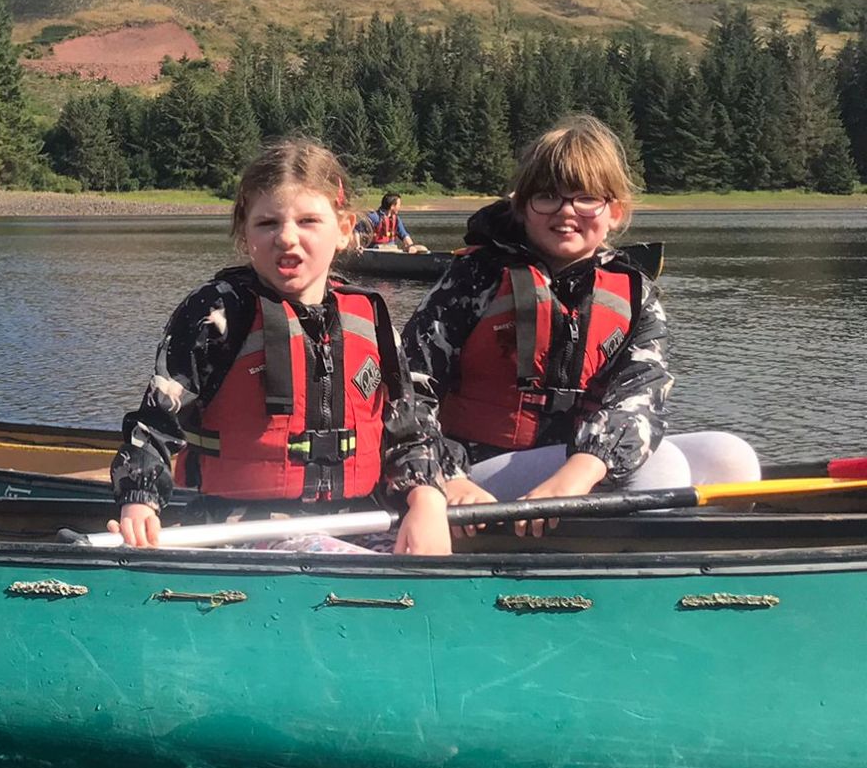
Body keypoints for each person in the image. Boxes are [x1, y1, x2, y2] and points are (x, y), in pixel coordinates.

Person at [403, 115, 758, 526]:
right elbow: (408, 392)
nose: (566, 212)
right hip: (475, 475)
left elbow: (639, 399)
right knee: (658, 468)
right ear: (522, 208)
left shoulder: (634, 293)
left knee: (732, 459)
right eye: (547, 197)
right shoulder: (472, 281)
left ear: (614, 210)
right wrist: (446, 477)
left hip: (576, 465)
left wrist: (579, 472)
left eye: (585, 197)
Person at [110, 138, 452, 556]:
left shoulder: (370, 319)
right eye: (267, 224)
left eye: (308, 221)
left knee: (428, 555)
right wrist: (140, 499)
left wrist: (427, 497)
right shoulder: (215, 314)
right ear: (244, 234)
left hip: (358, 518)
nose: (286, 238)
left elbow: (410, 430)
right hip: (237, 528)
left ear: (344, 230)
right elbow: (156, 424)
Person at [354, 191, 427, 253]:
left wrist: (411, 246)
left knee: (422, 249)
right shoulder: (374, 217)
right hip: (376, 250)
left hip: (392, 249)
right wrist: (358, 246)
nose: (400, 207)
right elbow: (357, 230)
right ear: (392, 206)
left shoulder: (396, 220)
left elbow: (404, 235)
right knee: (387, 250)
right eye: (399, 205)